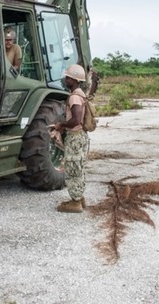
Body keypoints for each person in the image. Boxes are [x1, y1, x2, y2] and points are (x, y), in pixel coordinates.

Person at [52, 63, 89, 213]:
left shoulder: (74, 97)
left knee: (72, 168)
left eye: (67, 78)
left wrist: (61, 125)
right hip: (81, 135)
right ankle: (79, 198)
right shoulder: (81, 94)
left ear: (74, 80)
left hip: (75, 136)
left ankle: (75, 203)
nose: (65, 80)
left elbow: (76, 120)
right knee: (78, 167)